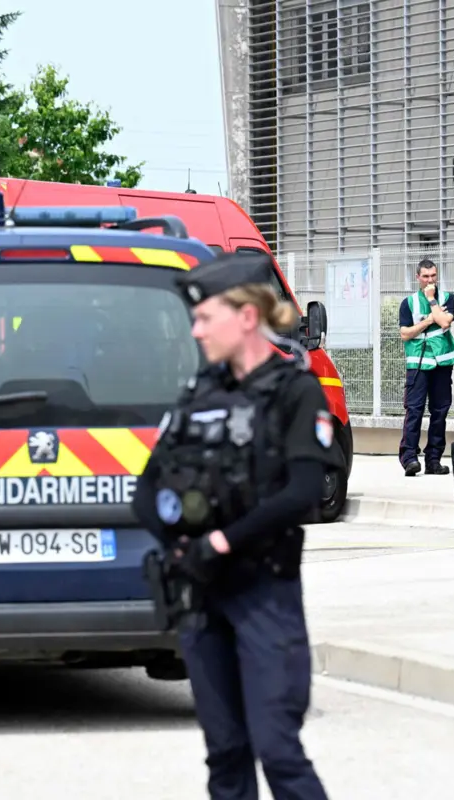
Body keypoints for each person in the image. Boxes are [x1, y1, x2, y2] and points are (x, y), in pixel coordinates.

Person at [133, 251, 335, 800]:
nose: (195, 329)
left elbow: (301, 494)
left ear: (246, 316)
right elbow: (146, 489)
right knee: (224, 753)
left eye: (205, 317)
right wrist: (180, 549)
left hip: (262, 593)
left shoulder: (295, 392)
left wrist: (221, 541)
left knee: (278, 750)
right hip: (201, 594)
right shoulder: (200, 393)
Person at [397, 258, 454, 476]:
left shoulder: (447, 298)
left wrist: (432, 301)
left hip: (442, 362)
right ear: (418, 278)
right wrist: (427, 321)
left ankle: (433, 460)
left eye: (433, 276)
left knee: (440, 411)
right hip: (418, 363)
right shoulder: (408, 303)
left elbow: (445, 322)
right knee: (414, 410)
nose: (430, 280)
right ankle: (409, 458)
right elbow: (405, 333)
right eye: (425, 276)